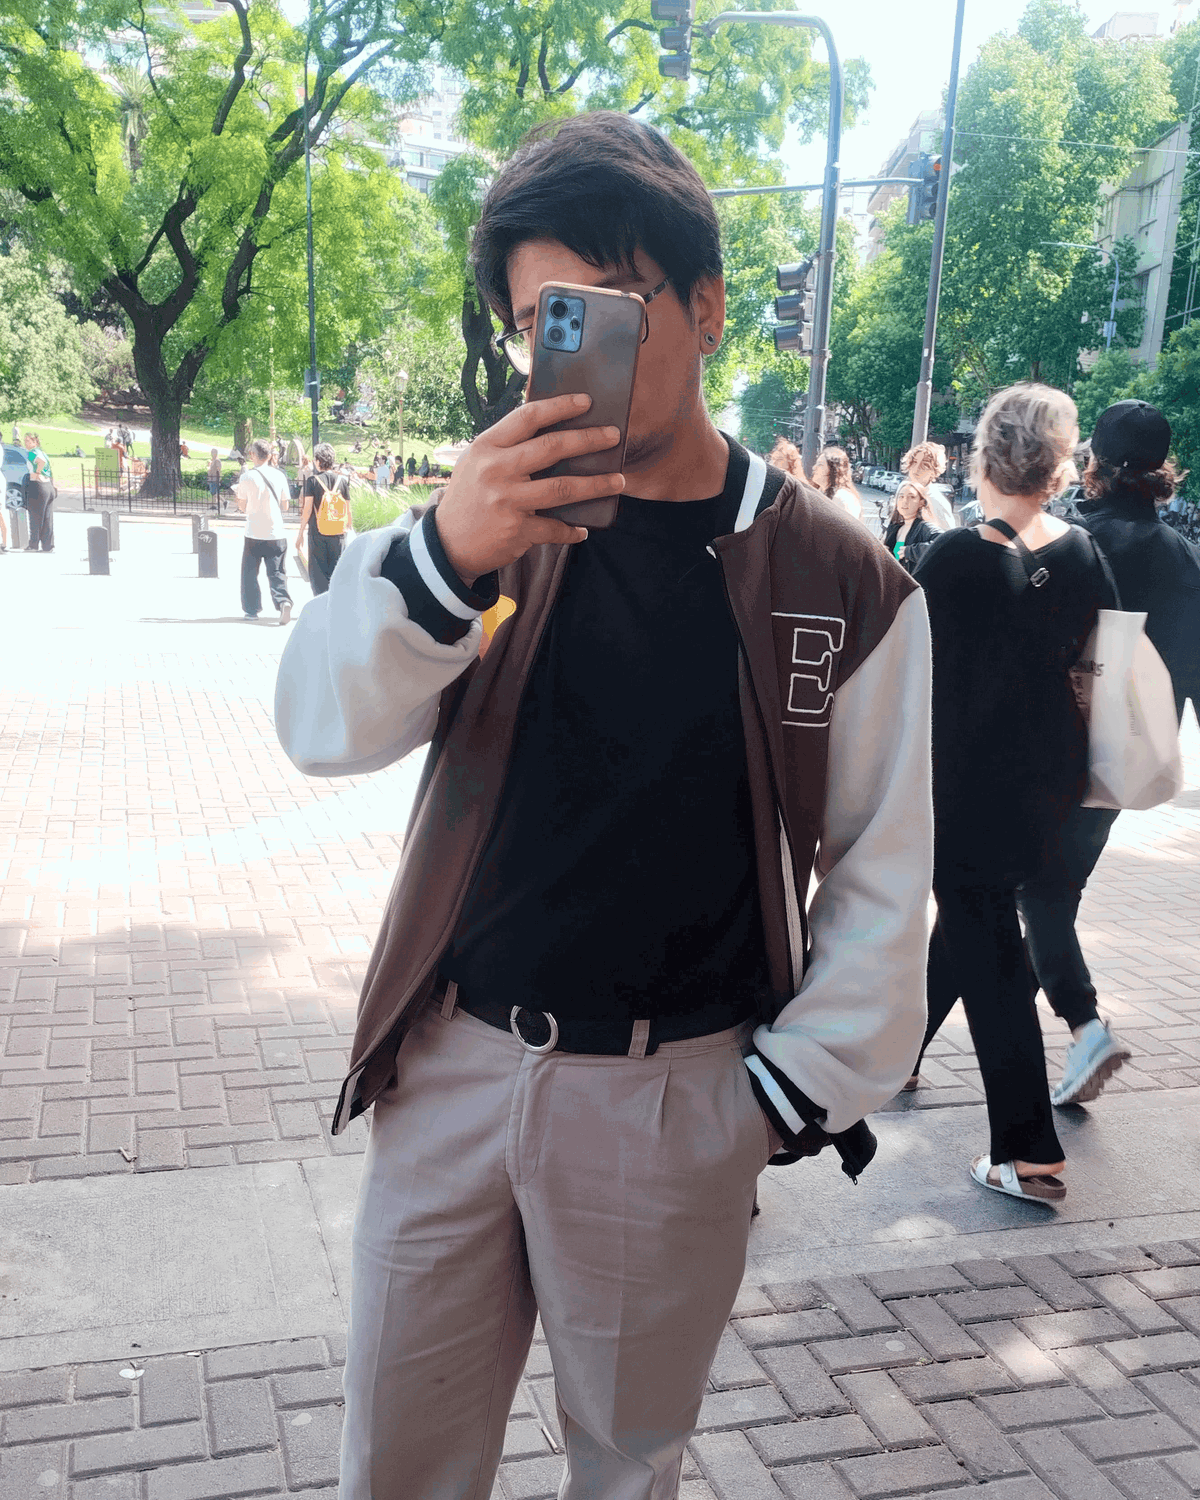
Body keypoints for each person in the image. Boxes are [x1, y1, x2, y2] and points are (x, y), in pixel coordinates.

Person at [275, 110, 932, 1500]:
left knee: (629, 1471)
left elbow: (883, 871)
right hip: (453, 1071)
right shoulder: (487, 520)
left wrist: (770, 1101)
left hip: (675, 1099)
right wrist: (447, 558)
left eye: (607, 304)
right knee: (395, 1468)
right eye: (538, 321)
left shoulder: (837, 576)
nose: (566, 349)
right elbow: (323, 729)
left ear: (706, 306)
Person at [909, 383, 1118, 1204]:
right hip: (1053, 792)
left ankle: (1027, 1151)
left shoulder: (953, 558)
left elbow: (903, 681)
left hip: (962, 793)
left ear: (984, 458)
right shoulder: (1083, 553)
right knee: (974, 924)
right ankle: (899, 1054)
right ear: (1060, 464)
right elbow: (1100, 675)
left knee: (989, 948)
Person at [1017, 400, 1197, 1106]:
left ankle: (1086, 1026)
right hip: (1122, 763)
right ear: (1162, 470)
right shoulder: (1184, 557)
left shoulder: (1070, 537)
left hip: (1044, 751)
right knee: (1045, 896)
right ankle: (919, 1050)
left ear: (1093, 461)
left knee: (1022, 895)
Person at [234, 437, 293, 625]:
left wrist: (241, 500)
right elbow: (285, 506)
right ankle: (283, 601)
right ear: (269, 455)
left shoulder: (247, 477)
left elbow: (242, 506)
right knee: (277, 572)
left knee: (249, 573)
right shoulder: (279, 475)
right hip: (276, 532)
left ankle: (251, 610)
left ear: (253, 454)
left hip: (254, 531)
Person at [297, 441, 351, 595]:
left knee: (318, 573)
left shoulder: (312, 481)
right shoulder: (342, 481)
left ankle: (321, 601)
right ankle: (335, 601)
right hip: (338, 533)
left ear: (318, 461)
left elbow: (307, 509)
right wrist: (348, 529)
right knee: (336, 571)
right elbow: (348, 510)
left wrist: (300, 533)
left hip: (317, 533)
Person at [883, 480, 940, 574]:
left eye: (912, 497)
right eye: (901, 497)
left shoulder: (925, 527)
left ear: (921, 502)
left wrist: (910, 551)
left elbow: (943, 544)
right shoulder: (895, 528)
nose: (905, 501)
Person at [902, 440, 957, 531]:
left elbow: (949, 536)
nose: (917, 468)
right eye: (915, 462)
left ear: (934, 470)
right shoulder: (904, 493)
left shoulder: (935, 500)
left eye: (925, 464)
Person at [811, 446, 863, 522]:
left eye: (820, 464)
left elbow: (848, 528)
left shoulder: (842, 498)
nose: (814, 467)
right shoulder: (820, 492)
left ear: (834, 469)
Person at [23, 432, 55, 552]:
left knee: (35, 517)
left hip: (37, 485)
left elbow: (41, 462)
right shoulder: (43, 452)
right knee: (47, 518)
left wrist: (37, 472)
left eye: (28, 441)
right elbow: (48, 467)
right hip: (48, 486)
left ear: (35, 442)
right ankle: (48, 545)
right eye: (25, 441)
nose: (26, 443)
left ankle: (33, 544)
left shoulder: (32, 453)